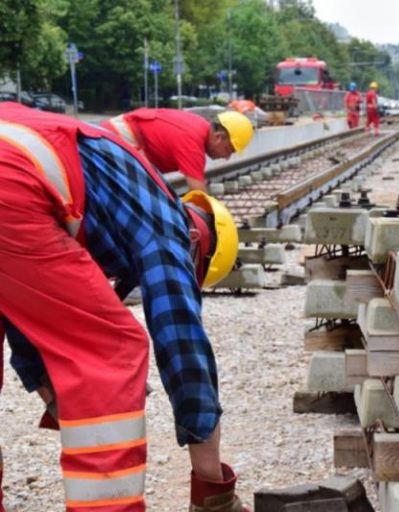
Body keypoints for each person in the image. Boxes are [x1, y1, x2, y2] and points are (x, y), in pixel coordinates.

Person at [0, 102, 247, 511]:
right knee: (109, 352)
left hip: (14, 173)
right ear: (198, 249)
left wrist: (53, 391)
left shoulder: (119, 194)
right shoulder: (171, 229)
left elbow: (29, 312)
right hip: (11, 180)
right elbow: (183, 350)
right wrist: (213, 490)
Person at [101, 108, 254, 193]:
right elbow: (198, 193)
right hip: (117, 138)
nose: (226, 157)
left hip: (117, 134)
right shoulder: (193, 141)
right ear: (219, 137)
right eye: (229, 150)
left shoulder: (199, 126)